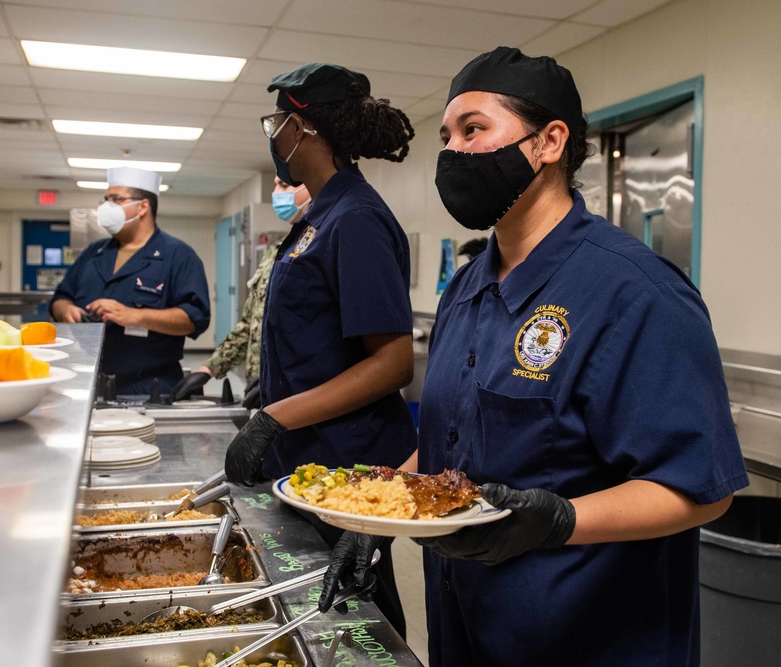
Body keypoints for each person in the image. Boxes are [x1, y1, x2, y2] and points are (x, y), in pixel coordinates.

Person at [319, 47, 748, 666]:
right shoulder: (466, 289)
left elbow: (702, 490)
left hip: (584, 636)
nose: (453, 153)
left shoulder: (635, 293)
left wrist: (558, 520)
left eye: (474, 130)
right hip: (467, 624)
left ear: (548, 142)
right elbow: (448, 442)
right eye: (446, 136)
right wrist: (375, 516)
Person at [224, 62, 418, 638]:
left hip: (349, 466)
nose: (273, 132)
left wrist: (274, 418)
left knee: (358, 621)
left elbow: (393, 362)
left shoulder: (355, 219)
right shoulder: (320, 215)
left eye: (277, 119)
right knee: (321, 612)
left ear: (305, 128)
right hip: (311, 458)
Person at [50, 166, 210, 396]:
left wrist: (135, 316)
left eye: (116, 199)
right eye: (105, 199)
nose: (106, 207)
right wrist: (65, 310)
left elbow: (194, 318)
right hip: (92, 381)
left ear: (143, 206)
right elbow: (60, 296)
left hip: (150, 385)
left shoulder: (177, 255)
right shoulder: (94, 253)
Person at [169, 177, 311, 408]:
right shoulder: (276, 251)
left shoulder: (324, 248)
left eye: (284, 185)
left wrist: (284, 381)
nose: (275, 192)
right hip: (262, 397)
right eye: (274, 184)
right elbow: (250, 326)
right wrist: (209, 369)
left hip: (300, 401)